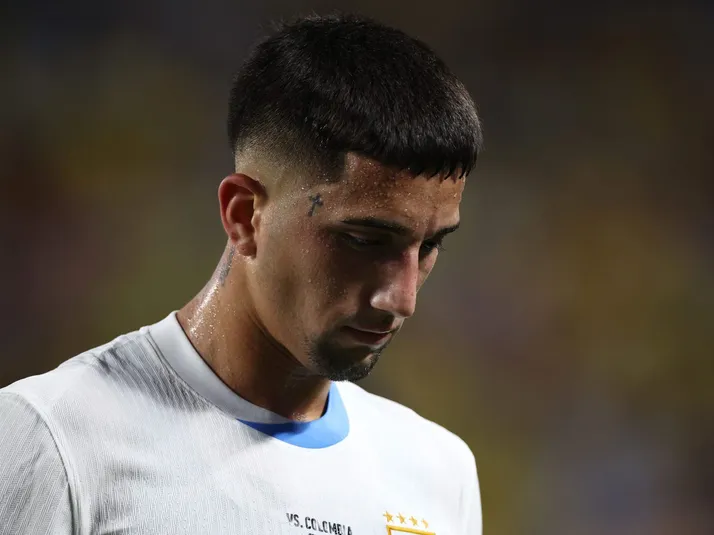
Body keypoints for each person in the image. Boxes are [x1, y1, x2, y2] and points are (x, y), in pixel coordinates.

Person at [0, 14, 483, 535]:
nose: (403, 298)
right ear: (244, 215)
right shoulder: (51, 440)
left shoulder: (439, 473)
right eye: (365, 240)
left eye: (430, 245)